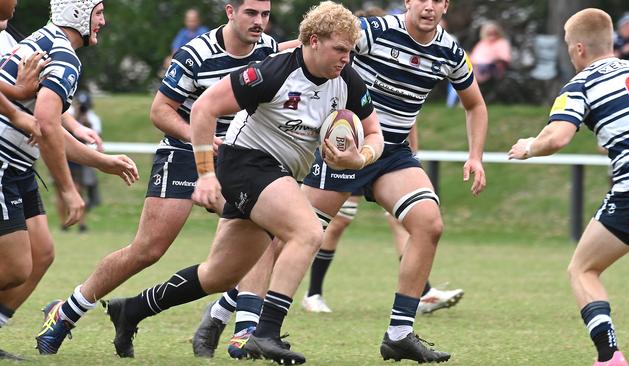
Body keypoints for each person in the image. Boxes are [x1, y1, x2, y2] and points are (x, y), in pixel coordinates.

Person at [102, 2, 383, 364]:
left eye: (349, 50)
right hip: (245, 163)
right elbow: (204, 107)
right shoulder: (274, 72)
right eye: (339, 49)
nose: (346, 58)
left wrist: (359, 158)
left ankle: (132, 310)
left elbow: (374, 131)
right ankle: (264, 333)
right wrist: (205, 174)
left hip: (277, 174)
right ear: (313, 42)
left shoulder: (346, 81)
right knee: (308, 231)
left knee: (220, 274)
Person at [233, 0, 487, 363]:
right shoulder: (375, 31)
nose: (429, 6)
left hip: (392, 153)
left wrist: (475, 155)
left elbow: (475, 104)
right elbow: (308, 46)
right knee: (289, 238)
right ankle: (228, 313)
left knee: (429, 224)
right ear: (407, 2)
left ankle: (399, 334)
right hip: (343, 148)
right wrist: (264, 61)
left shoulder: (450, 52)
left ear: (446, 5)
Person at [34, 0, 288, 356]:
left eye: (265, 15)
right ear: (230, 11)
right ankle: (66, 312)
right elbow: (160, 111)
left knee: (264, 228)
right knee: (148, 250)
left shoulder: (267, 49)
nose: (259, 22)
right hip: (185, 151)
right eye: (251, 13)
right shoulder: (196, 52)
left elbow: (297, 51)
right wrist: (198, 139)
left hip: (240, 156)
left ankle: (245, 331)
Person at [507, 8, 629, 366]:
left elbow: (557, 137)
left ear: (580, 49)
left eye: (570, 48)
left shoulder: (581, 84)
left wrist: (529, 147)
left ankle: (609, 355)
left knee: (583, 269)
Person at [0, 0, 139, 360]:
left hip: (19, 167)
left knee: (41, 253)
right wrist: (68, 189)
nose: (103, 22)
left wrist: (100, 161)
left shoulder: (46, 41)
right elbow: (46, 125)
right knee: (16, 267)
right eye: (98, 13)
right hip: (3, 164)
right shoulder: (64, 55)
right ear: (78, 14)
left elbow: (47, 126)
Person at [302, 126, 464, 315]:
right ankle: (313, 294)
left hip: (389, 157)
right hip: (355, 150)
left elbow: (410, 119)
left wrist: (412, 154)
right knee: (339, 221)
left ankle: (423, 293)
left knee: (404, 221)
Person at [54, 91, 103, 232]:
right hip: (63, 156)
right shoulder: (68, 114)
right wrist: (75, 121)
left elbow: (96, 139)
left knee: (79, 190)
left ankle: (81, 223)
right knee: (60, 191)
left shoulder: (93, 119)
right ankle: (63, 223)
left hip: (80, 159)